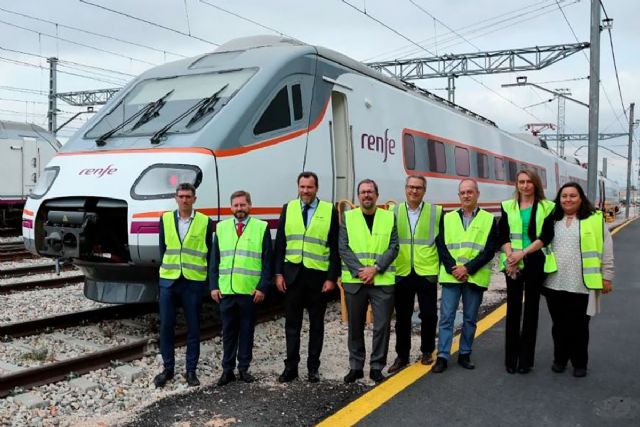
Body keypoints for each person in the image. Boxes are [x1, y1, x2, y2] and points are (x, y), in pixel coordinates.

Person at [274, 171, 339, 383]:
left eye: (309, 187)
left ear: (316, 188)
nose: (305, 191)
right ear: (298, 187)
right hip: (292, 277)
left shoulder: (329, 210)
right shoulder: (289, 208)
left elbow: (334, 247)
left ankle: (313, 368)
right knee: (292, 325)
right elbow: (281, 243)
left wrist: (331, 278)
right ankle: (291, 367)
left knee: (316, 325)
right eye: (302, 187)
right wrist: (278, 273)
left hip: (318, 279)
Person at [543, 182, 614, 378]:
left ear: (581, 198)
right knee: (558, 325)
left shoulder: (594, 220)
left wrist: (607, 276)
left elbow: (606, 249)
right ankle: (560, 359)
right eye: (564, 196)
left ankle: (579, 362)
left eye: (573, 195)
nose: (568, 199)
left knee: (580, 327)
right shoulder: (552, 220)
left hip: (583, 284)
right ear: (559, 199)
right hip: (553, 282)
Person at [432, 179, 497, 373]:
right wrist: (454, 268)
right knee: (446, 317)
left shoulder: (489, 219)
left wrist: (467, 268)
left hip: (473, 276)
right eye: (463, 192)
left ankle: (464, 354)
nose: (466, 195)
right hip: (452, 276)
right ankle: (442, 356)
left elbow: (489, 250)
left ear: (477, 194)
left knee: (469, 318)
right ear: (459, 196)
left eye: (470, 192)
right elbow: (441, 245)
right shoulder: (448, 217)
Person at [339, 179, 399, 383]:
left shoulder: (389, 217)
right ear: (358, 196)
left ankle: (376, 367)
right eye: (363, 192)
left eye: (370, 192)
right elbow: (343, 247)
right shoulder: (348, 217)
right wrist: (359, 271)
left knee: (381, 327)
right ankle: (356, 367)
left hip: (382, 281)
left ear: (377, 195)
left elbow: (394, 247)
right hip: (356, 282)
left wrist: (375, 268)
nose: (367, 195)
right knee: (355, 326)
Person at [211, 190, 272, 386]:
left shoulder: (261, 227)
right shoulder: (221, 228)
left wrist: (262, 287)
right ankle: (227, 370)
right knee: (228, 332)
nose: (239, 209)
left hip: (249, 291)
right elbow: (214, 261)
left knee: (246, 330)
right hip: (226, 291)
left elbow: (267, 262)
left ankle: (244, 368)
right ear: (231, 208)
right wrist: (213, 286)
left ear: (250, 206)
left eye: (243, 205)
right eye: (236, 205)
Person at [154, 183, 213, 388]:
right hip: (169, 281)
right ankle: (168, 369)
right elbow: (163, 249)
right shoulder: (165, 219)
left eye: (188, 196)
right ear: (176, 198)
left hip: (193, 282)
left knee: (194, 328)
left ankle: (191, 371)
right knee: (166, 326)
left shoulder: (206, 222)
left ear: (194, 199)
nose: (185, 200)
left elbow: (209, 252)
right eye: (181, 196)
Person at [498, 170, 556, 374]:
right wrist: (511, 257)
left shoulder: (547, 207)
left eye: (529, 182)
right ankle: (510, 360)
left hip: (535, 262)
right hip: (512, 263)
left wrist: (521, 254)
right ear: (516, 184)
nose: (525, 185)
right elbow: (503, 234)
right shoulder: (507, 206)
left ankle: (525, 361)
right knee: (512, 310)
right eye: (521, 182)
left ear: (536, 184)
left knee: (531, 310)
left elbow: (546, 236)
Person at [388, 175, 442, 374]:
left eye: (418, 188)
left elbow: (442, 242)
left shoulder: (436, 212)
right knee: (402, 317)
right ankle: (402, 356)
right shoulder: (394, 211)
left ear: (424, 191)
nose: (414, 191)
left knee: (429, 314)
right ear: (405, 189)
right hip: (402, 271)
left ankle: (427, 351)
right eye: (411, 187)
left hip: (426, 270)